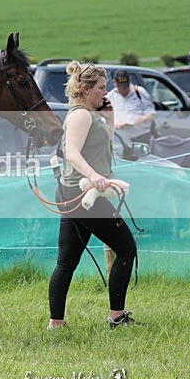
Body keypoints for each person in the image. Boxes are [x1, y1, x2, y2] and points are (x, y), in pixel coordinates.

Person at [48, 61, 138, 330]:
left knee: (66, 261)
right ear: (86, 90)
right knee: (125, 248)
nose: (106, 92)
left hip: (73, 193)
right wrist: (95, 177)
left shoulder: (89, 114)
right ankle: (117, 317)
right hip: (84, 193)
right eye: (101, 87)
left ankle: (56, 323)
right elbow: (73, 152)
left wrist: (108, 119)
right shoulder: (80, 116)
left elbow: (101, 147)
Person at [106, 70, 155, 144]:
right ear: (114, 82)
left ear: (129, 81)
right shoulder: (110, 97)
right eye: (120, 87)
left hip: (142, 137)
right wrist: (115, 124)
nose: (123, 90)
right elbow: (103, 117)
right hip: (122, 140)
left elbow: (151, 112)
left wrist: (143, 118)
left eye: (125, 87)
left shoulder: (140, 92)